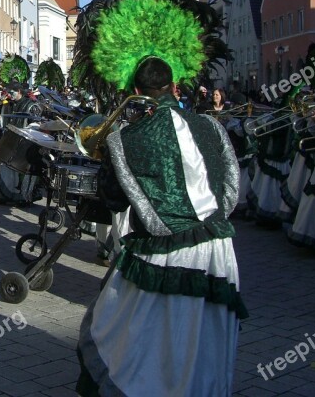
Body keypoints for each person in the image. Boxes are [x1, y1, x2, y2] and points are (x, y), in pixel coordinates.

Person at [76, 57, 246, 396]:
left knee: (137, 336)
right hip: (217, 250)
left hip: (162, 253)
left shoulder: (125, 139)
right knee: (205, 339)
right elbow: (229, 191)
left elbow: (111, 200)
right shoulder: (211, 127)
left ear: (137, 92)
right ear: (173, 86)